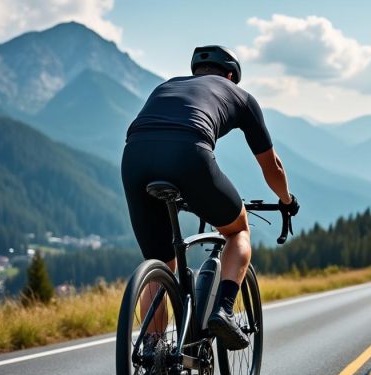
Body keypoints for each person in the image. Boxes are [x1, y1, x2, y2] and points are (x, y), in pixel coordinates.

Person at [121, 45, 299, 357]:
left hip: (134, 158)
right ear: (231, 76)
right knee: (237, 230)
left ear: (196, 72)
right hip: (189, 154)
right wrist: (286, 200)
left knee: (161, 263)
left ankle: (152, 352)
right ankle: (224, 311)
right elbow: (272, 165)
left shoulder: (167, 86)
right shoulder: (241, 96)